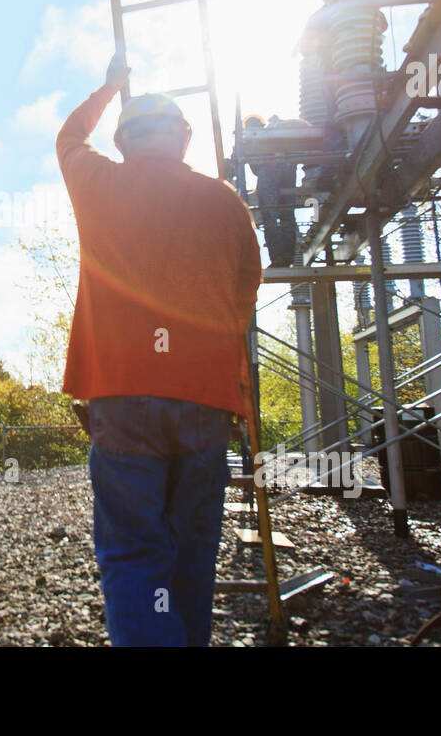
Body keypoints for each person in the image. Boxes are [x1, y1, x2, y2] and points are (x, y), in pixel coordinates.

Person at [56, 51, 262, 646]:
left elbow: (69, 136)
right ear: (185, 138)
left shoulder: (98, 182)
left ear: (122, 143)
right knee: (193, 554)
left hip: (120, 398)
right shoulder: (225, 201)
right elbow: (245, 289)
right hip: (204, 399)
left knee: (136, 552)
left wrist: (107, 87)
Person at [243, 114, 305, 268]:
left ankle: (278, 258)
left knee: (269, 214)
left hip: (268, 171)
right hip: (289, 169)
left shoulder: (247, 137)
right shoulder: (273, 133)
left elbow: (233, 163)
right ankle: (288, 257)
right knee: (288, 215)